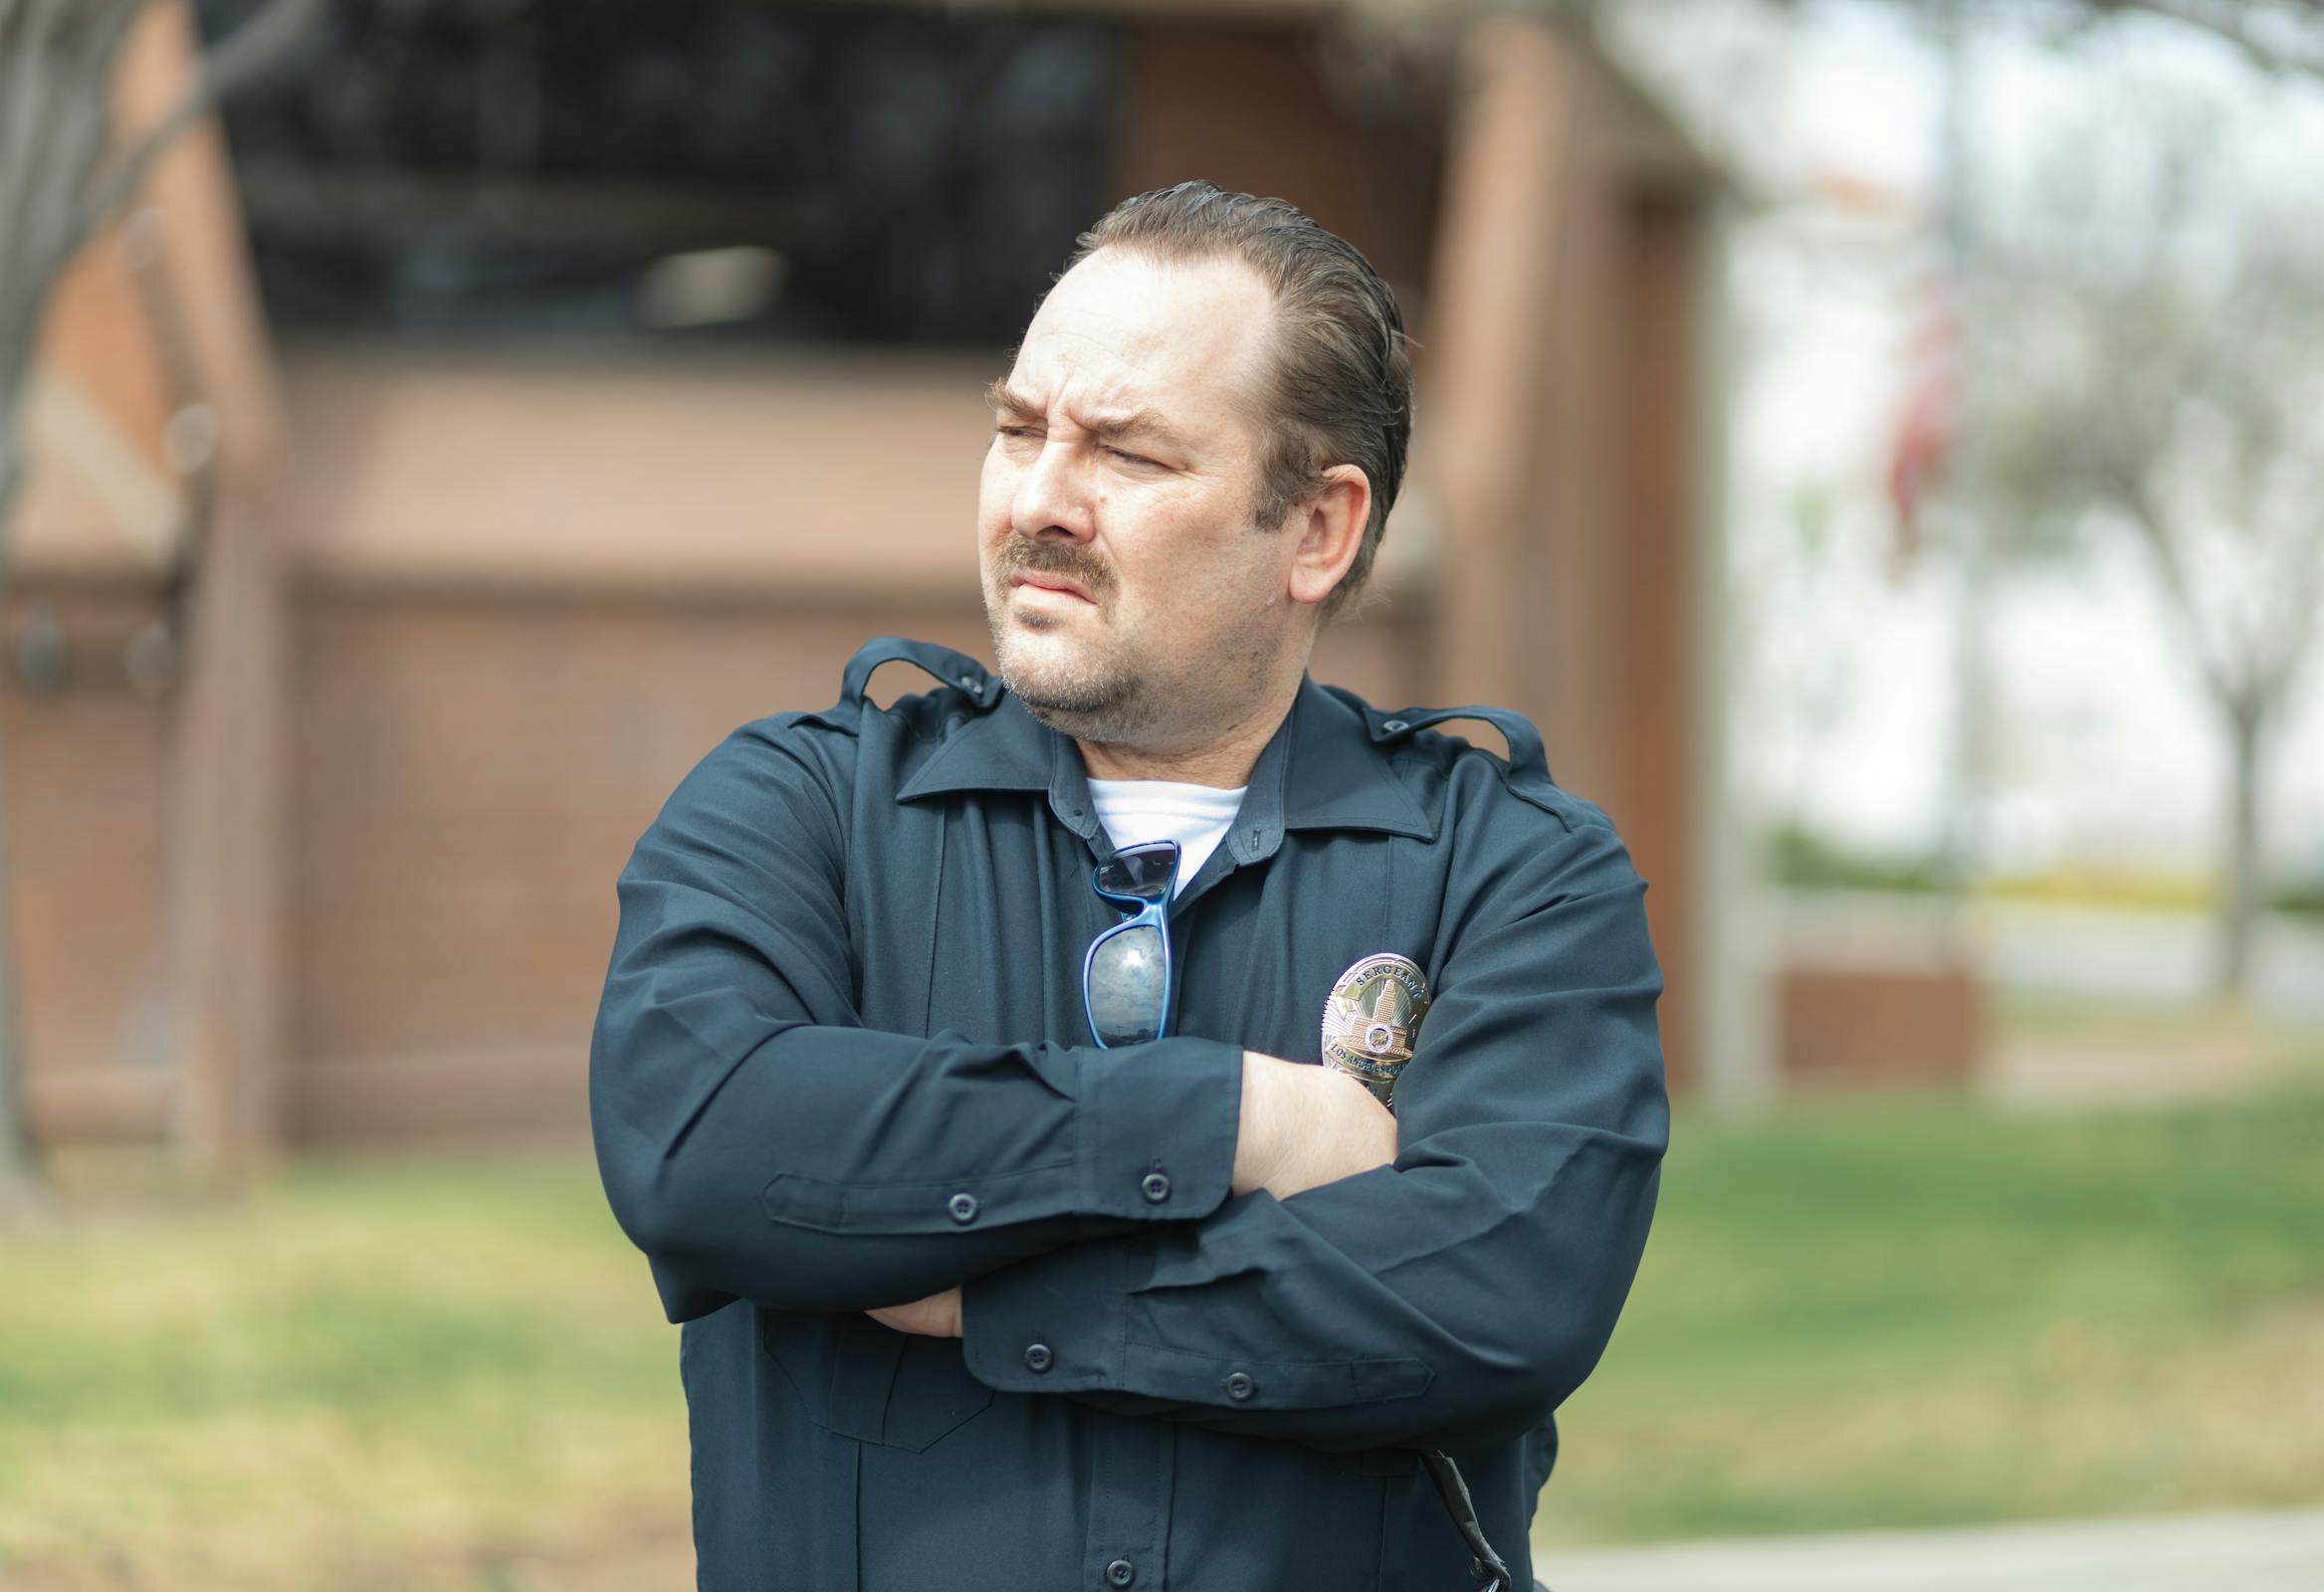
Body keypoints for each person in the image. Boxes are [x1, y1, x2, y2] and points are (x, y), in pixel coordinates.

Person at [589, 180, 1668, 1592]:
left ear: (1318, 533)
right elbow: (705, 1141)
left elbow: (1502, 1297)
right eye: (1018, 428)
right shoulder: (803, 811)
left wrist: (989, 1291)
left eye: (1130, 457)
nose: (1041, 499)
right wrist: (1238, 1116)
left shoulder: (1515, 870)